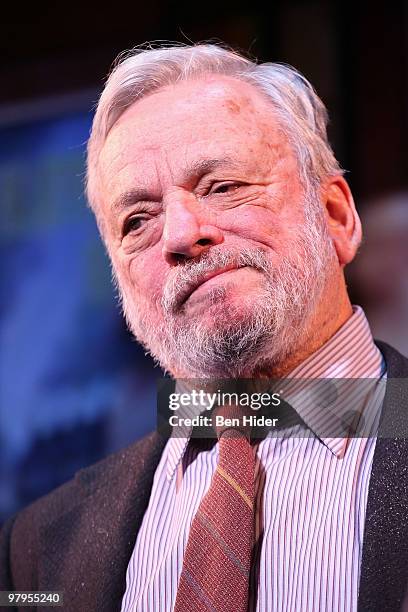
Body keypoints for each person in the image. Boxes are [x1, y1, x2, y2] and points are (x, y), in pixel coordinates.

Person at [1, 42, 408, 612]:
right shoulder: (36, 549)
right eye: (137, 220)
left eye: (223, 186)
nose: (180, 234)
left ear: (336, 216)